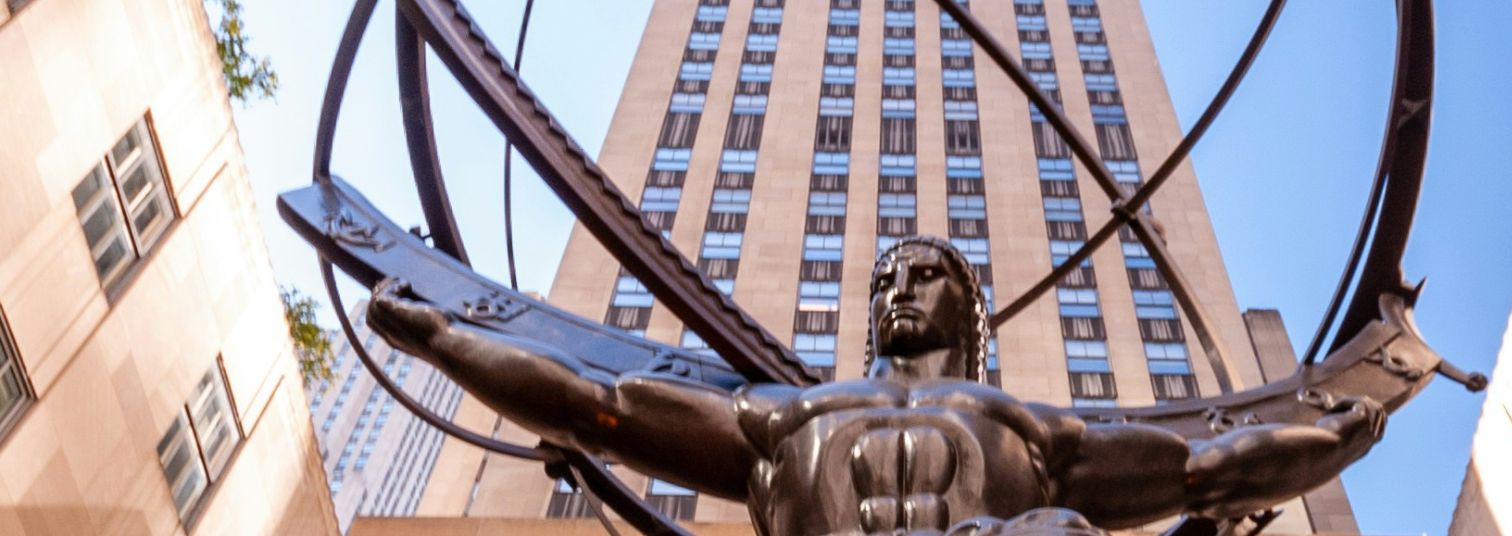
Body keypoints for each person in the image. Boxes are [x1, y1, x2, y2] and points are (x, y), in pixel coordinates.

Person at [370, 235, 1384, 536]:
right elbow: (598, 408)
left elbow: (1208, 471)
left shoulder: (1034, 431)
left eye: (926, 273)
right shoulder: (785, 417)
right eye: (886, 278)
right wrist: (442, 342)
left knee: (1053, 535)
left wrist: (1337, 435)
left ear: (971, 310)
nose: (901, 286)